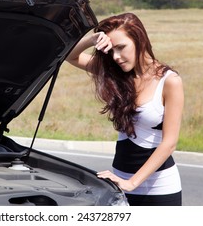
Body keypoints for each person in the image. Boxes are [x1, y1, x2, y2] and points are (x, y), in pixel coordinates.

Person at [66, 12, 183, 206]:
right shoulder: (115, 74)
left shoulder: (169, 81)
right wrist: (92, 39)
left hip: (159, 187)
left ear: (139, 40)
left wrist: (132, 183)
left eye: (121, 48)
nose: (116, 57)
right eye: (111, 51)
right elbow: (70, 56)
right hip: (119, 182)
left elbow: (169, 143)